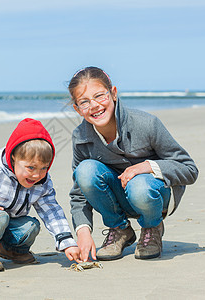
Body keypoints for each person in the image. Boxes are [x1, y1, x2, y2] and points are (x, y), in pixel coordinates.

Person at [67, 66, 198, 262]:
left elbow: (189, 169)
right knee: (84, 171)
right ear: (77, 109)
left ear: (113, 94)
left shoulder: (146, 124)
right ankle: (120, 230)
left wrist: (146, 166)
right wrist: (82, 231)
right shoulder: (80, 137)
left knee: (140, 185)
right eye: (84, 102)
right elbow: (79, 193)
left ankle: (152, 228)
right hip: (116, 197)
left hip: (151, 194)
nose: (94, 105)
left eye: (100, 96)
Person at [0, 118, 80, 273]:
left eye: (44, 168)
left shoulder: (41, 182)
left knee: (30, 226)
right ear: (13, 158)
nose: (37, 174)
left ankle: (12, 250)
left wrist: (67, 242)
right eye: (31, 167)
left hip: (4, 223)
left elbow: (51, 211)